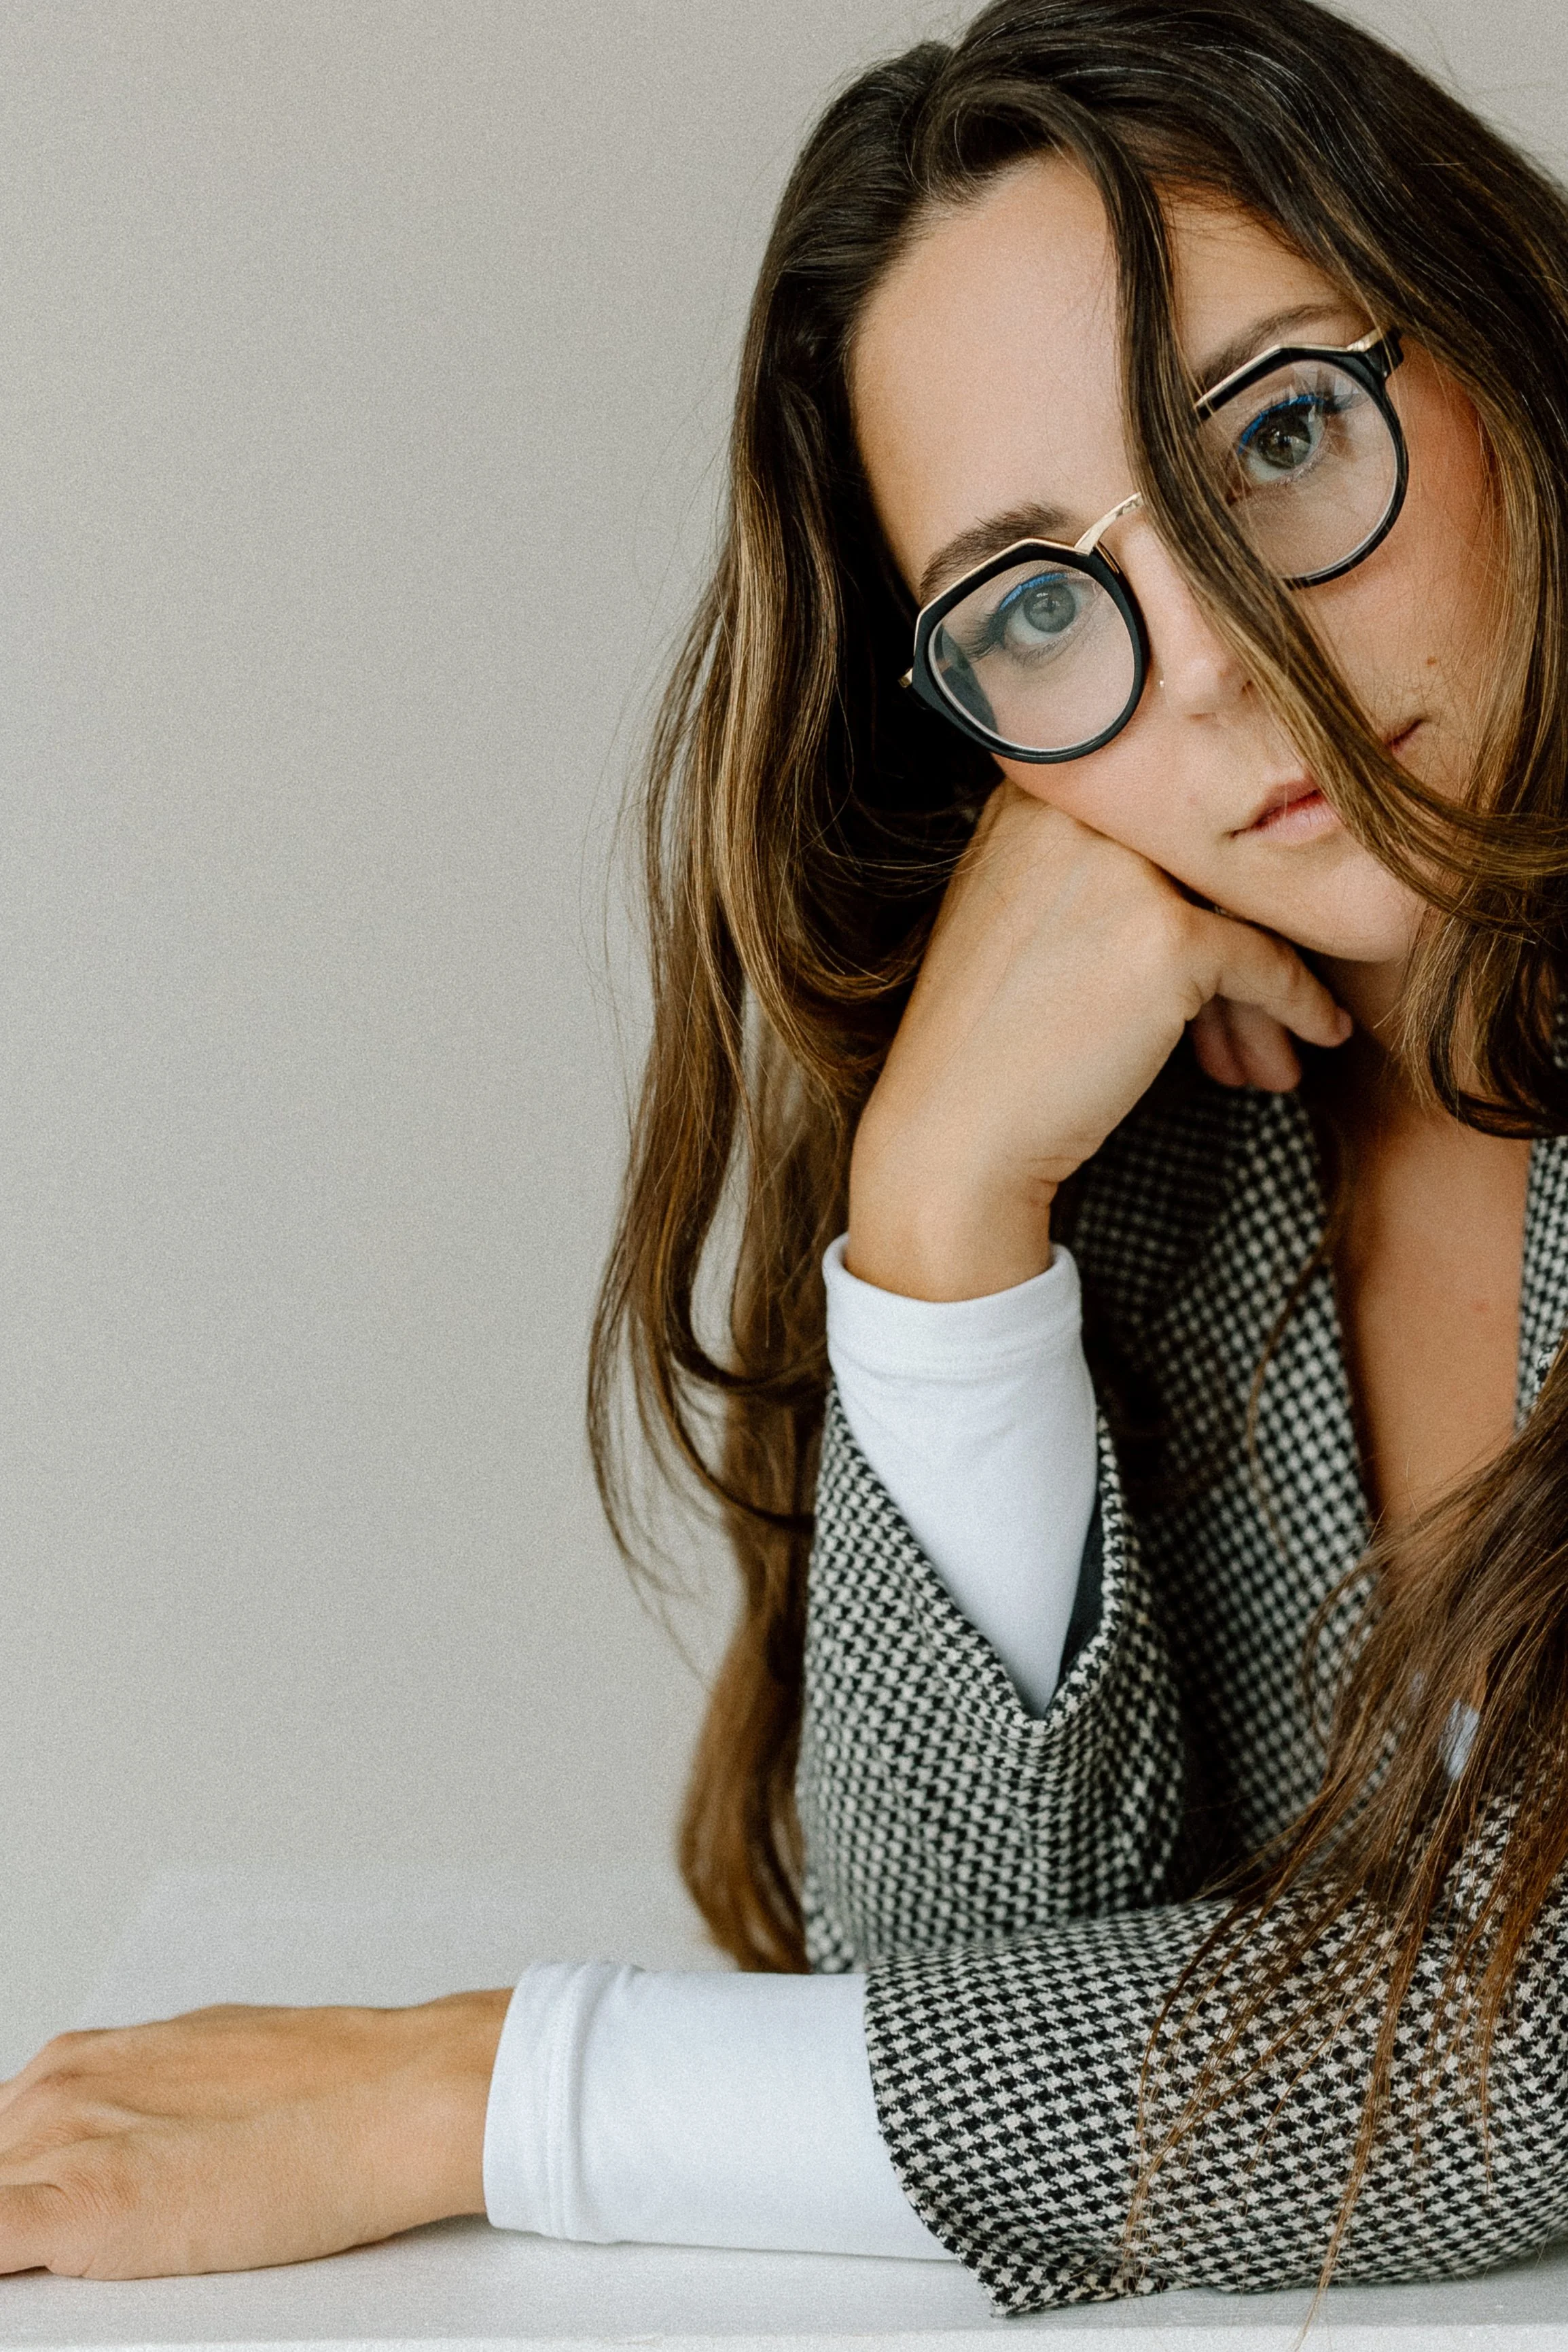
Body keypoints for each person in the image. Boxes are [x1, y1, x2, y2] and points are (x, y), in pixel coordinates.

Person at [6, 0, 1568, 2309]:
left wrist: (493, 2089)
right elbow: (966, 1991)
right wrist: (944, 1216)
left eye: (1278, 435)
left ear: (1511, 346)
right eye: (1041, 600)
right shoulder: (1174, 1129)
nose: (1221, 661)